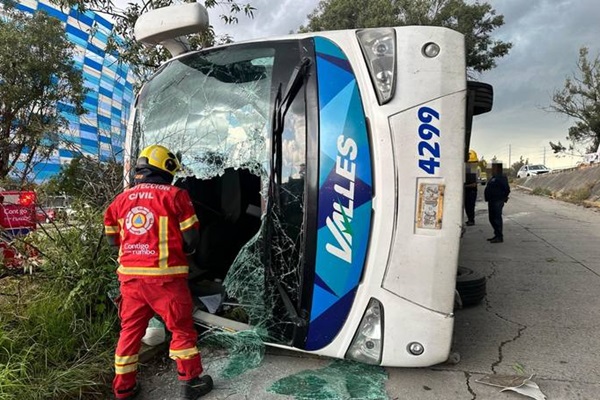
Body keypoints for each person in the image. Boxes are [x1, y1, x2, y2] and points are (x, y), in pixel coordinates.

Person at [104, 144, 213, 400]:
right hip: (166, 280)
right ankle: (191, 383)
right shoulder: (176, 195)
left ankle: (123, 389)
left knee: (130, 333)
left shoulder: (119, 200)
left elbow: (112, 240)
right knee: (181, 329)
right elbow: (192, 239)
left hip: (130, 280)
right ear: (165, 168)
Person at [484, 161, 510, 243]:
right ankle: (496, 235)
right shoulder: (493, 177)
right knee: (492, 218)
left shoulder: (501, 177)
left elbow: (507, 189)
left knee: (496, 218)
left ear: (497, 168)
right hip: (492, 200)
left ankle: (499, 237)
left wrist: (503, 197)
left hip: (497, 201)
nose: (491, 170)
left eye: (493, 168)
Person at [464, 150, 479, 226]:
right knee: (467, 206)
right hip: (468, 191)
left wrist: (464, 186)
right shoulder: (468, 170)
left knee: (470, 206)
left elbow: (474, 184)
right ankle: (470, 219)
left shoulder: (473, 171)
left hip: (471, 192)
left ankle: (471, 220)